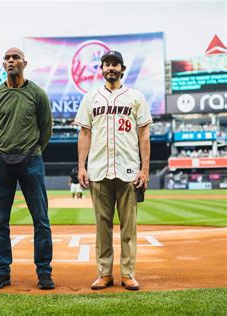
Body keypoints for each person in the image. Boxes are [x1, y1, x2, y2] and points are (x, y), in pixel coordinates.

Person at [74, 51, 152, 291]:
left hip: (128, 169)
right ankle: (104, 273)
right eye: (107, 64)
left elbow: (144, 134)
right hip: (98, 169)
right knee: (102, 226)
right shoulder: (90, 98)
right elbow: (84, 133)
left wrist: (145, 169)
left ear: (122, 68)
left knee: (129, 227)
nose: (111, 68)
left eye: (115, 64)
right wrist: (81, 166)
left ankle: (128, 274)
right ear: (102, 69)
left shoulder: (135, 97)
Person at [0, 47, 54, 290]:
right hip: (1, 161)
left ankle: (44, 272)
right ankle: (2, 271)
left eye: (15, 57)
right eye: (7, 58)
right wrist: (1, 148)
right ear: (3, 64)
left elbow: (46, 128)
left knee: (41, 220)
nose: (11, 61)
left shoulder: (37, 93)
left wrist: (33, 150)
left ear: (25, 62)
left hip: (31, 160)